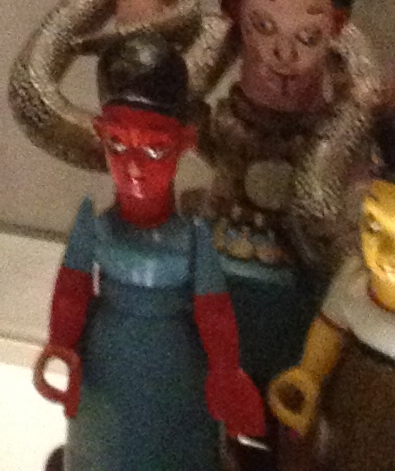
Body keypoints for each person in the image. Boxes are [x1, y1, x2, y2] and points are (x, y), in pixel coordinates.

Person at [12, 0, 377, 416]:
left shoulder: (352, 116)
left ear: (336, 26)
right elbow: (142, 100)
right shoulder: (197, 120)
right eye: (263, 24)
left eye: (309, 34)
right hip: (207, 298)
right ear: (234, 8)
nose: (284, 53)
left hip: (310, 309)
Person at [35, 30, 266, 470]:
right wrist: (61, 342)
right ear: (100, 134)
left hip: (177, 364)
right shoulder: (94, 226)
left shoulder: (194, 237)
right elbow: (72, 290)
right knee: (102, 446)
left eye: (155, 148)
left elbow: (214, 310)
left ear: (184, 143)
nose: (134, 167)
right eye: (117, 144)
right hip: (105, 360)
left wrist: (224, 369)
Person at [270, 110, 395, 461]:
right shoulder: (354, 284)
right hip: (351, 410)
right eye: (374, 226)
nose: (386, 254)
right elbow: (329, 330)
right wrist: (309, 375)